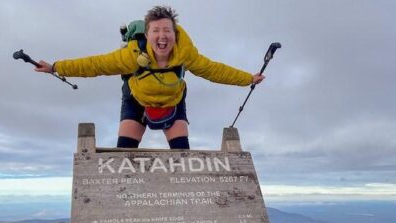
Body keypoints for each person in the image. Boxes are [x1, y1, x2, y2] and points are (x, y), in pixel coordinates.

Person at [35, 6, 264, 149]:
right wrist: (56, 67)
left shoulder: (186, 54)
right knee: (124, 155)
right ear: (147, 34)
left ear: (175, 34)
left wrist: (247, 79)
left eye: (167, 30)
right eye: (156, 31)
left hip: (172, 100)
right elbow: (95, 65)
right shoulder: (132, 55)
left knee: (182, 155)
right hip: (137, 100)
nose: (162, 36)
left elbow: (214, 70)